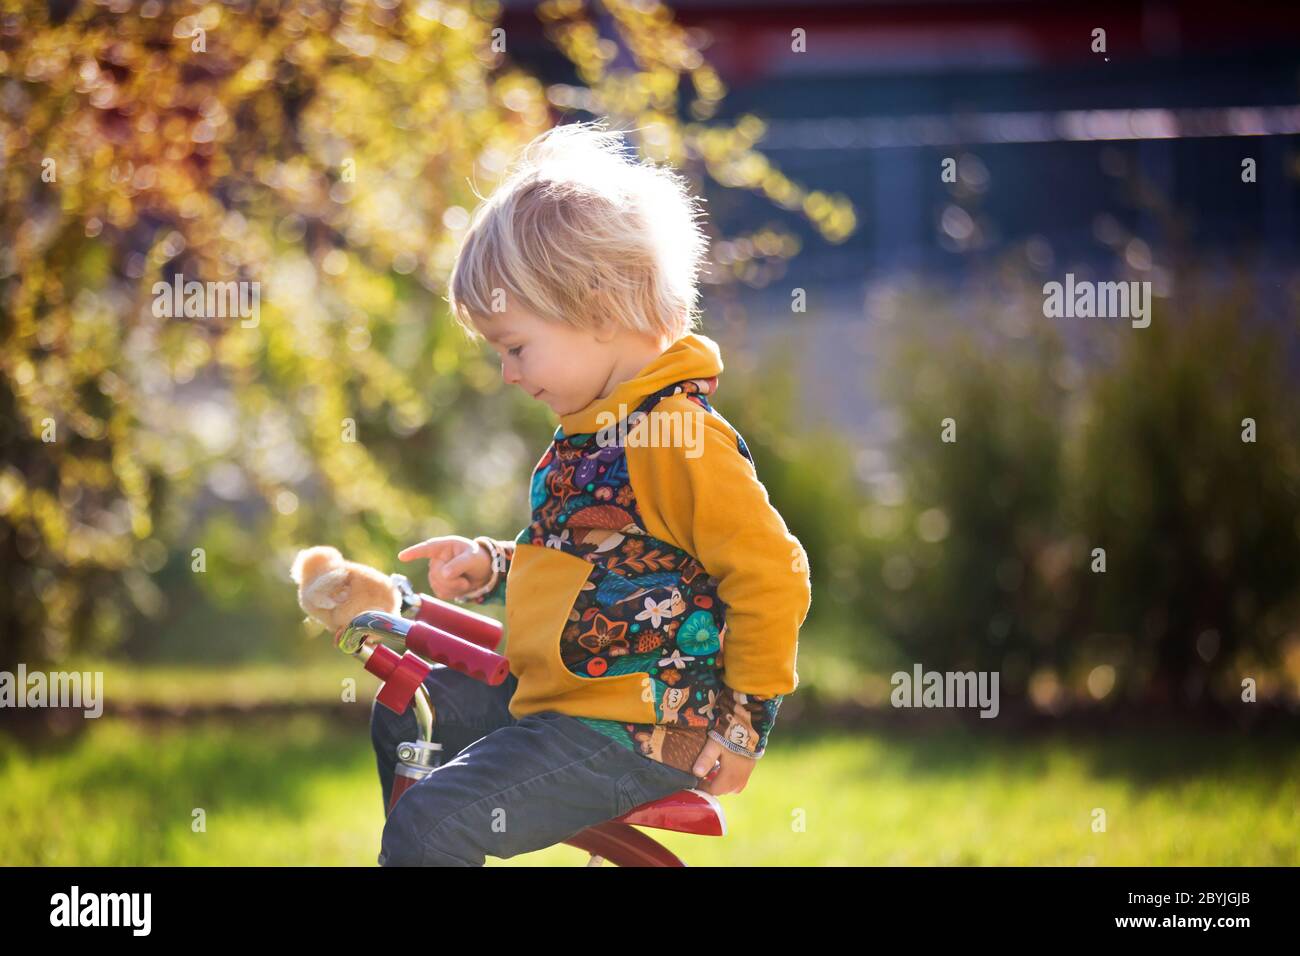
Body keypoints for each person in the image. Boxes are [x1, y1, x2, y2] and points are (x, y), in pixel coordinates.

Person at [372, 121, 812, 866]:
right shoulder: (594, 433)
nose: (509, 372)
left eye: (516, 346)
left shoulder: (675, 438)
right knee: (411, 709)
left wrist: (743, 726)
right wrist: (496, 565)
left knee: (434, 822)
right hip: (572, 702)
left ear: (600, 313)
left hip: (632, 731)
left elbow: (774, 576)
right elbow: (600, 562)